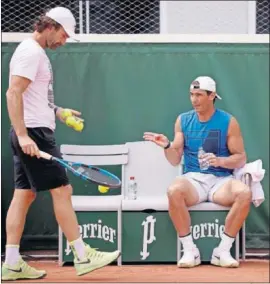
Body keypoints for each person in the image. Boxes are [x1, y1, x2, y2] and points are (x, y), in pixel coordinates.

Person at [1, 7, 120, 281]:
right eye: (64, 35)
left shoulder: (35, 52)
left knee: (24, 194)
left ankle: (11, 262)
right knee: (62, 190)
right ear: (51, 26)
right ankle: (82, 255)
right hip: (33, 133)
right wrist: (22, 135)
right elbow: (13, 92)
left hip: (33, 128)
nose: (64, 42)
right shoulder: (31, 52)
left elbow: (32, 96)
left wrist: (58, 112)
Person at [143, 76, 251, 268]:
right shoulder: (183, 120)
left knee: (244, 193)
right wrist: (167, 146)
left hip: (221, 181)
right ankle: (190, 250)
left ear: (212, 96)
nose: (194, 99)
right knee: (173, 191)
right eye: (192, 95)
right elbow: (175, 158)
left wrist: (220, 161)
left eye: (199, 95)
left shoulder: (228, 121)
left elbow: (241, 157)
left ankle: (223, 251)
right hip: (194, 180)